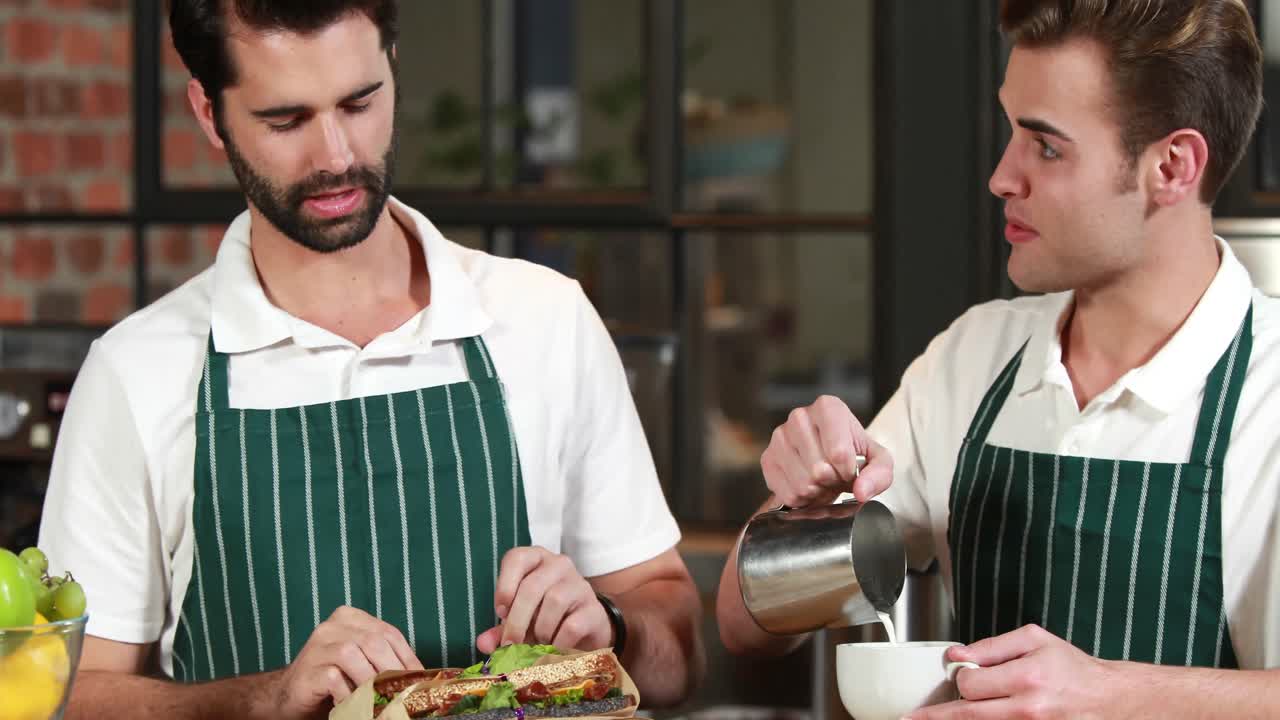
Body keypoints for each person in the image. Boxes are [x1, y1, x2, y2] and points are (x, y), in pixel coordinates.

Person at [39, 2, 703, 718]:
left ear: (392, 65)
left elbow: (679, 659)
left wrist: (613, 627)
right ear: (209, 112)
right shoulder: (137, 371)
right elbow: (68, 698)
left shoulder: (545, 319)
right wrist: (264, 698)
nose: (335, 156)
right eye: (286, 120)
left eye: (359, 103)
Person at [718, 0, 1280, 716]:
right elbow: (744, 625)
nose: (1002, 177)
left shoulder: (1267, 389)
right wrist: (803, 509)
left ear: (1172, 166)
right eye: (1011, 131)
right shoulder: (974, 359)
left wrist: (1113, 695)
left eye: (1046, 147)